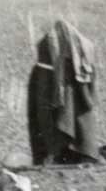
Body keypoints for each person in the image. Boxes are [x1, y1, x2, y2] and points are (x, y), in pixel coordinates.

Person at [27, 19, 99, 165]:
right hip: (50, 75)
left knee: (52, 114)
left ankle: (62, 154)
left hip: (52, 78)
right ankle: (60, 154)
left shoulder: (50, 51)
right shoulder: (48, 50)